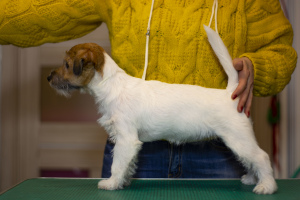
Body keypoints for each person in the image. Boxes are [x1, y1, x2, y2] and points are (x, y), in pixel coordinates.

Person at [0, 0, 297, 178]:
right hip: (133, 143)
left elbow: (281, 51)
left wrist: (257, 67)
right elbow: (41, 11)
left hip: (219, 149)